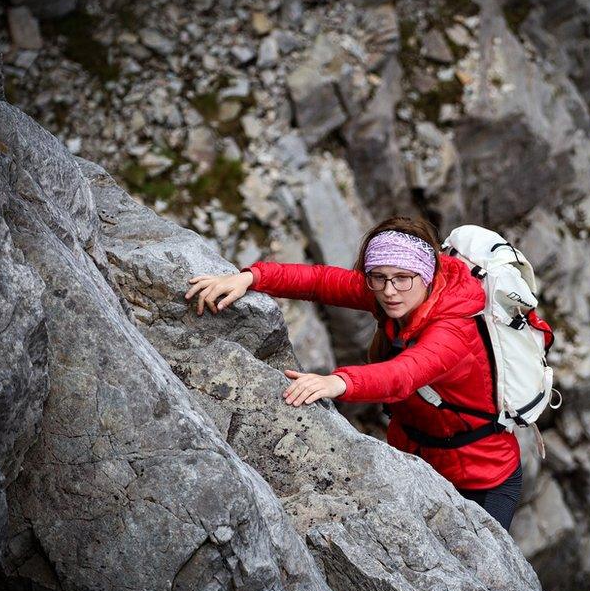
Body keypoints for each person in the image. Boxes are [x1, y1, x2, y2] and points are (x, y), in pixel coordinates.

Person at [185, 216, 523, 531]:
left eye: (402, 279)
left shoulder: (454, 330)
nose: (390, 290)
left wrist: (339, 381)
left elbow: (403, 374)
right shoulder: (394, 292)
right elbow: (319, 282)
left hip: (482, 479)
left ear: (427, 275)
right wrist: (250, 277)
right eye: (378, 277)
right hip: (415, 457)